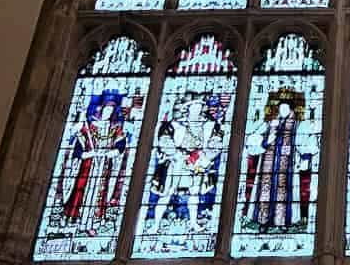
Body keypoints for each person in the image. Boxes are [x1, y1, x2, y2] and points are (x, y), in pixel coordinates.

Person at [141, 94, 225, 236]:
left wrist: (204, 157)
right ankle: (155, 225)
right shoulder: (175, 125)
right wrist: (175, 154)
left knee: (194, 193)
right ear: (188, 108)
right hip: (176, 163)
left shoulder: (210, 125)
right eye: (193, 105)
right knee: (166, 193)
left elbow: (216, 142)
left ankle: (193, 223)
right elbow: (164, 139)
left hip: (197, 163)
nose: (196, 108)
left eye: (199, 106)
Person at [56, 90, 130, 231]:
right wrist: (90, 154)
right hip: (87, 166)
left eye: (111, 110)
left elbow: (120, 147)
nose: (108, 112)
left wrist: (109, 153)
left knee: (100, 193)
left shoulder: (115, 129)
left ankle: (92, 223)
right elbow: (78, 151)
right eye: (106, 108)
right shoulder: (89, 128)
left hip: (104, 167)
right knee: (80, 190)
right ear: (101, 109)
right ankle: (76, 220)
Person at [243, 97, 311, 229]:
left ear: (291, 110)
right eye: (281, 108)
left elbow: (304, 142)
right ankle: (263, 221)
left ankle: (282, 222)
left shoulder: (297, 125)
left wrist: (304, 157)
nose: (283, 111)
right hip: (268, 165)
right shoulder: (269, 125)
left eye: (285, 108)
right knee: (265, 190)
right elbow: (253, 140)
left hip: (288, 165)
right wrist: (267, 140)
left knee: (284, 191)